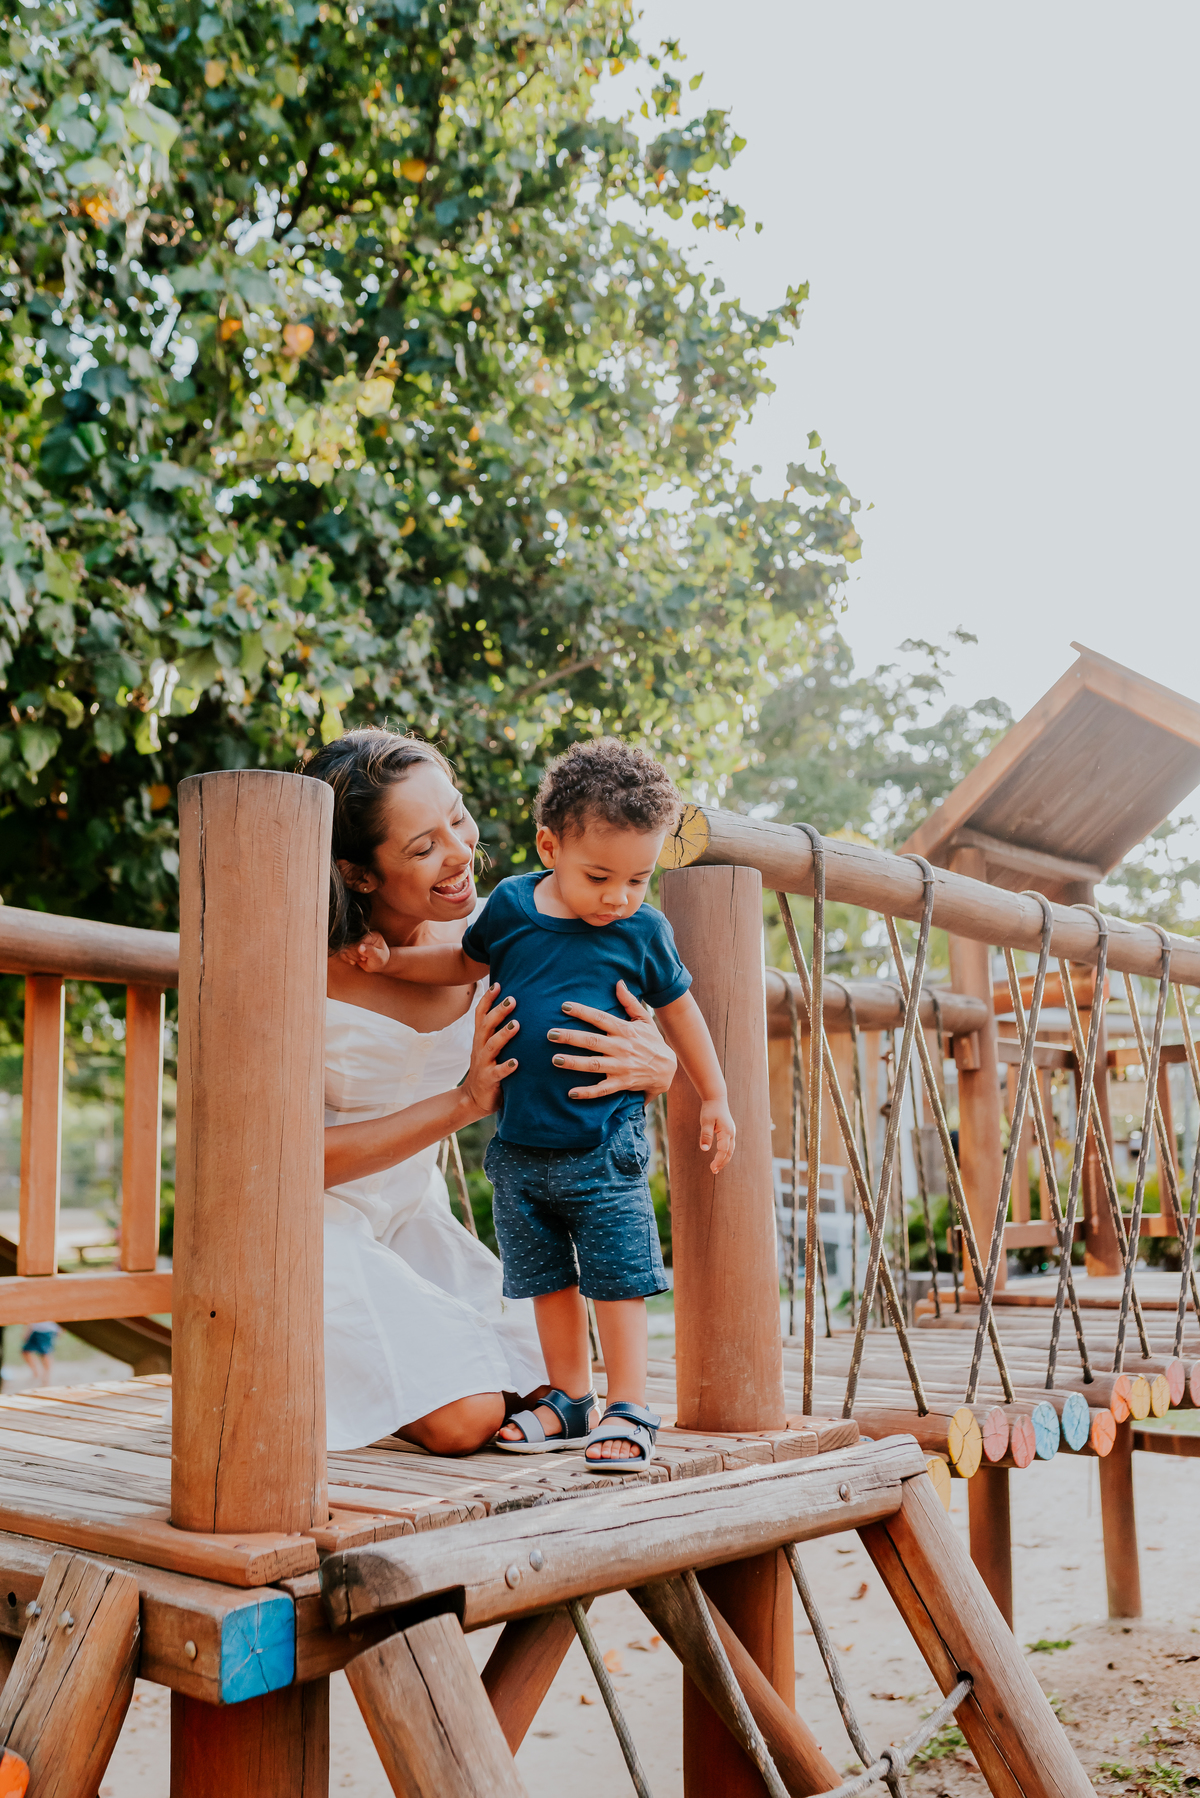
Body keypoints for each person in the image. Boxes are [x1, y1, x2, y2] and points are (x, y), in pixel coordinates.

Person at [342, 738, 735, 1471]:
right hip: (461, 1173)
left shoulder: (612, 924)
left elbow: (674, 1005)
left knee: (593, 1297)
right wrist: (396, 967)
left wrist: (692, 1080)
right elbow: (463, 962)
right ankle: (569, 1397)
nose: (618, 897)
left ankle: (623, 1403)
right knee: (520, 1324)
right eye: (426, 845)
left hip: (576, 1151)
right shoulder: (512, 913)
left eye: (459, 821)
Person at [21, 1322, 58, 1387]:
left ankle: (46, 1377)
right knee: (26, 1351)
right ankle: (37, 1373)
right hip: (35, 1329)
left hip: (47, 1329)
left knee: (45, 1353)